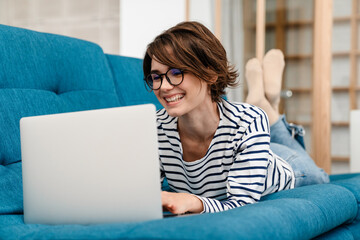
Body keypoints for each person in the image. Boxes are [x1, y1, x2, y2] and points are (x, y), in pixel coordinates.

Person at [143, 21, 329, 215]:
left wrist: (194, 202)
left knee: (321, 177)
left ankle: (268, 109)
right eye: (156, 77)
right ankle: (268, 106)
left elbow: (241, 206)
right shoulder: (154, 128)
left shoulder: (248, 120)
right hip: (241, 147)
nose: (163, 87)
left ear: (210, 74)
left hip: (282, 166)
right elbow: (144, 198)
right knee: (253, 130)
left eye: (176, 73)